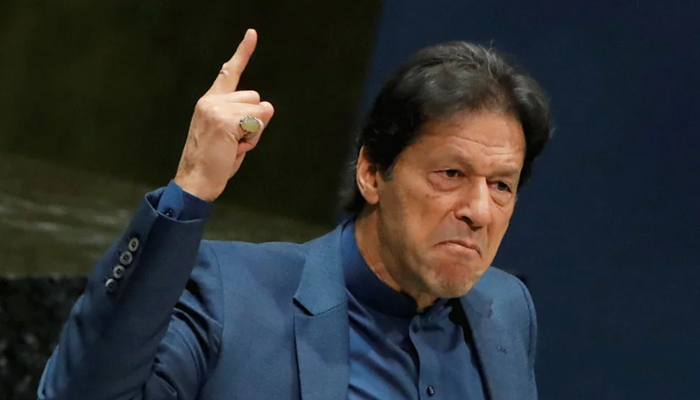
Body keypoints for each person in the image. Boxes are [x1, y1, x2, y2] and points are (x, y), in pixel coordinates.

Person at [38, 28, 550, 400]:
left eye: (501, 185)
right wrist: (191, 188)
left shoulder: (506, 309)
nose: (478, 211)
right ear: (372, 173)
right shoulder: (231, 298)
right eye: (451, 174)